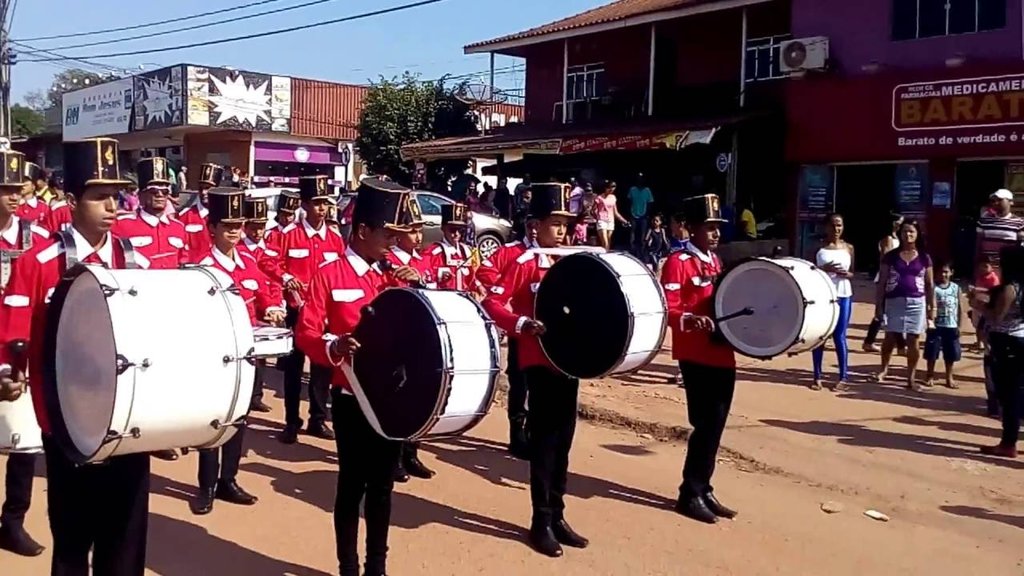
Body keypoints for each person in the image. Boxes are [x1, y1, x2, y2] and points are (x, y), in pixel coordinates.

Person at [0, 138, 151, 575]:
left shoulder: (133, 260)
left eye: (117, 195)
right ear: (71, 200)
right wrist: (9, 373)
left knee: (125, 542)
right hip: (66, 424)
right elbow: (11, 333)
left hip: (126, 418)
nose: (112, 205)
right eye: (99, 196)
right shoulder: (39, 261)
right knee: (71, 542)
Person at [295, 177, 421, 576]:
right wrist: (335, 347)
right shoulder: (328, 275)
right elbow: (307, 333)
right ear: (363, 231)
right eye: (388, 234)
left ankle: (376, 568)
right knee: (352, 487)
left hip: (391, 399)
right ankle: (348, 567)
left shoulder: (395, 276)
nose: (393, 242)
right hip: (351, 398)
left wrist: (419, 291)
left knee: (383, 488)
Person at [482, 184, 589, 558]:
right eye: (555, 223)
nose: (562, 231)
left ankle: (558, 513)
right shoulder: (524, 262)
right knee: (544, 443)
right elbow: (493, 302)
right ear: (535, 226)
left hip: (571, 362)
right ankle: (540, 520)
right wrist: (520, 323)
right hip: (539, 361)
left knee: (565, 442)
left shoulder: (573, 262)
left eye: (565, 223)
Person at [191, 188, 286, 515]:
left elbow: (263, 294)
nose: (234, 231)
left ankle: (228, 480)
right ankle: (206, 485)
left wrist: (272, 308)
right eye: (227, 225)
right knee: (215, 420)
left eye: (239, 224)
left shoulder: (248, 261)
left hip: (249, 354)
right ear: (212, 228)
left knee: (240, 418)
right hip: (217, 357)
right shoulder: (202, 268)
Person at [660, 194, 738, 525]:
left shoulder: (714, 261)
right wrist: (689, 319)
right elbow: (668, 306)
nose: (715, 233)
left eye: (718, 228)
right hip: (696, 353)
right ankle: (689, 493)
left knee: (717, 425)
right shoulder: (678, 262)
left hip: (722, 351)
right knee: (705, 424)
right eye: (709, 228)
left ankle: (704, 487)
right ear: (691, 229)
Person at [267, 175, 346, 444]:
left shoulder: (335, 239)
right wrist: (286, 278)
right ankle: (291, 422)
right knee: (293, 369)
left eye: (324, 203)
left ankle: (317, 419)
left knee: (323, 368)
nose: (321, 209)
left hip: (325, 315)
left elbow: (341, 271)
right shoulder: (289, 235)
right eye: (316, 203)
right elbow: (268, 261)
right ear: (304, 204)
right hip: (297, 312)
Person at [0, 150, 48, 557]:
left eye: (17, 188)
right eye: (4, 189)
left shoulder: (39, 239)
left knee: (25, 446)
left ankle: (11, 523)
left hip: (18, 356)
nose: (14, 196)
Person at [382, 196, 437, 482]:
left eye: (419, 230)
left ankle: (412, 452)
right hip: (396, 338)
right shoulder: (386, 261)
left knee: (420, 396)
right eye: (411, 230)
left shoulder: (424, 259)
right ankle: (394, 458)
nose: (417, 236)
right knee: (397, 399)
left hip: (421, 337)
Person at [476, 220, 538, 459]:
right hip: (519, 332)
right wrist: (505, 292)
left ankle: (534, 432)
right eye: (531, 225)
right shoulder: (511, 252)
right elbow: (485, 271)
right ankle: (517, 434)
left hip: (544, 337)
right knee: (519, 384)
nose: (534, 231)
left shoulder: (553, 255)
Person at [876, 220, 935, 390]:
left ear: (917, 234)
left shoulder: (925, 257)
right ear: (899, 234)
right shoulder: (891, 256)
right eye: (904, 232)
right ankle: (883, 369)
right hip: (894, 301)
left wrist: (933, 308)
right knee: (890, 337)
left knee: (913, 339)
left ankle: (911, 377)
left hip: (917, 302)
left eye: (911, 232)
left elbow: (930, 284)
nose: (908, 235)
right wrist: (878, 306)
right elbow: (882, 282)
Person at [979, 245, 1024, 458]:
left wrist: (978, 306)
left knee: (1009, 395)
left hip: (1007, 342)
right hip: (1019, 340)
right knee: (1016, 393)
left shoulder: (1011, 288)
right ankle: (1009, 440)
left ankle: (1008, 443)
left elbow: (997, 316)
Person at [112, 158, 190, 272]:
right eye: (153, 191)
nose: (160, 195)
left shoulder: (178, 228)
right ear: (141, 195)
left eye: (165, 192)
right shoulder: (121, 225)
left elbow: (184, 262)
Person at [239, 196, 280, 414]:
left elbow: (274, 281)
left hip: (266, 310)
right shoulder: (237, 250)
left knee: (262, 357)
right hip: (246, 309)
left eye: (261, 227)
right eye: (254, 228)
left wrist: (275, 304)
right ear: (245, 227)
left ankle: (256, 395)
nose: (258, 232)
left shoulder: (271, 250)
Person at [811, 213, 855, 391]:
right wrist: (824, 269)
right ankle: (817, 376)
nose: (837, 229)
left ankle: (843, 376)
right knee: (821, 336)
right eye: (833, 225)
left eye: (840, 225)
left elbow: (853, 272)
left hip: (844, 294)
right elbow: (809, 269)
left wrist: (847, 274)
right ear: (826, 227)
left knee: (840, 336)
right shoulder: (819, 248)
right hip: (824, 295)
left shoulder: (849, 248)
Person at [864, 213, 907, 352]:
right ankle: (900, 345)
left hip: (896, 277)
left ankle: (871, 341)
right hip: (887, 278)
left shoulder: (898, 238)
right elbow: (886, 258)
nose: (899, 225)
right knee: (886, 311)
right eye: (897, 222)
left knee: (890, 312)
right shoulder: (888, 239)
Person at [923, 261, 966, 389]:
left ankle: (949, 377)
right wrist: (928, 320)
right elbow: (928, 305)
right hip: (936, 326)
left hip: (951, 326)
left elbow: (960, 308)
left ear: (951, 273)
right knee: (932, 352)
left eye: (946, 272)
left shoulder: (956, 288)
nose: (943, 274)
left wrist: (959, 326)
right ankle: (929, 375)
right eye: (941, 272)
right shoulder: (933, 288)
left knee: (951, 353)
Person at [425, 203, 481, 294]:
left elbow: (472, 279)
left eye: (461, 230)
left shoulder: (466, 252)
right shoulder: (433, 253)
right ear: (443, 228)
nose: (457, 234)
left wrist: (477, 287)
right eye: (453, 230)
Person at [178, 163, 224, 256]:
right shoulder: (185, 217)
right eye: (201, 188)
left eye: (208, 188)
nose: (203, 192)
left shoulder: (226, 216)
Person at [975, 188, 1024, 274]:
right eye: (994, 200)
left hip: (1008, 268)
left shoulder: (1019, 223)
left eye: (1000, 200)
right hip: (986, 268)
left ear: (1011, 202)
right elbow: (977, 244)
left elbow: (1020, 247)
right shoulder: (984, 221)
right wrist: (976, 265)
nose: (996, 202)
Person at [594, 180, 628, 250]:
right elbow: (593, 210)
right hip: (601, 220)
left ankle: (605, 255)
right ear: (606, 187)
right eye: (610, 187)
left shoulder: (613, 197)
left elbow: (616, 212)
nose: (612, 189)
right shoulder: (599, 198)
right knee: (605, 241)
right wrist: (597, 217)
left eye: (613, 187)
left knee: (608, 241)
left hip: (610, 221)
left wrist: (624, 221)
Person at [628, 174, 654, 257]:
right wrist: (630, 212)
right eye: (638, 178)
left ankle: (642, 252)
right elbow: (629, 201)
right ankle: (632, 250)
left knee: (643, 235)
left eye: (641, 179)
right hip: (633, 214)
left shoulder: (647, 190)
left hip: (644, 215)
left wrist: (647, 214)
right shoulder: (632, 189)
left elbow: (650, 203)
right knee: (633, 233)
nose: (640, 180)